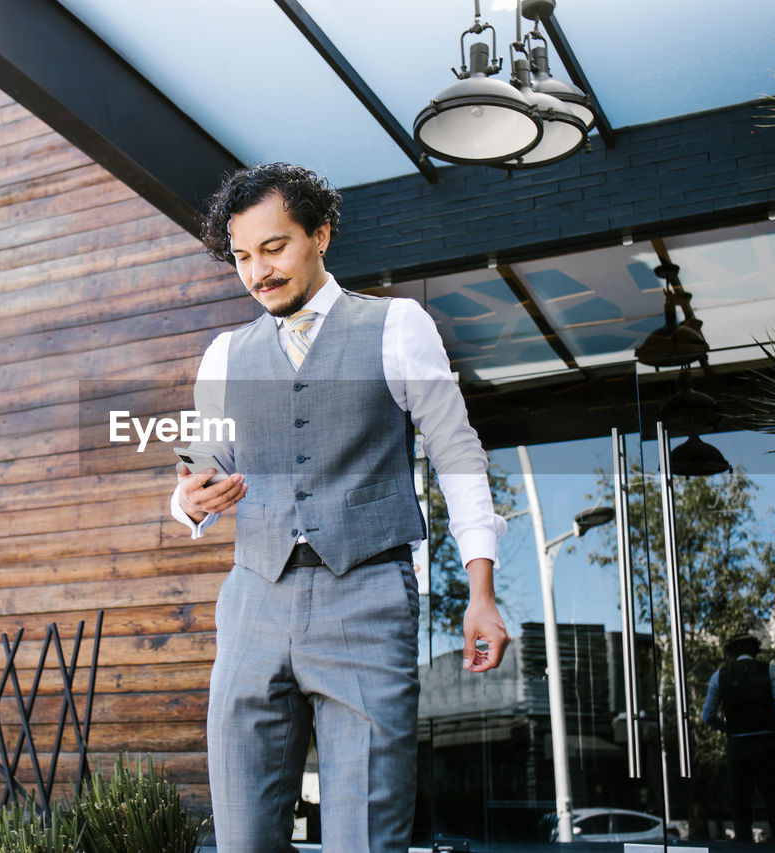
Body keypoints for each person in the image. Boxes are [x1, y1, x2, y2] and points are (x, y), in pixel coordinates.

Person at [170, 162, 509, 852]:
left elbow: (457, 454)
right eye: (241, 256)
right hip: (252, 604)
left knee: (365, 836)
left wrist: (482, 587)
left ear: (320, 233)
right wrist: (188, 500)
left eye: (274, 248)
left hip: (367, 597)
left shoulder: (394, 326)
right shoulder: (225, 356)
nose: (257, 272)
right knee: (243, 839)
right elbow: (200, 471)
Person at [701, 632, 775, 843]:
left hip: (738, 746)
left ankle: (743, 847)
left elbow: (707, 715)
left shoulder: (720, 675)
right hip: (767, 743)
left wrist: (728, 728)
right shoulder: (770, 670)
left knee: (741, 807)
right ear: (755, 650)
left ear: (732, 653)